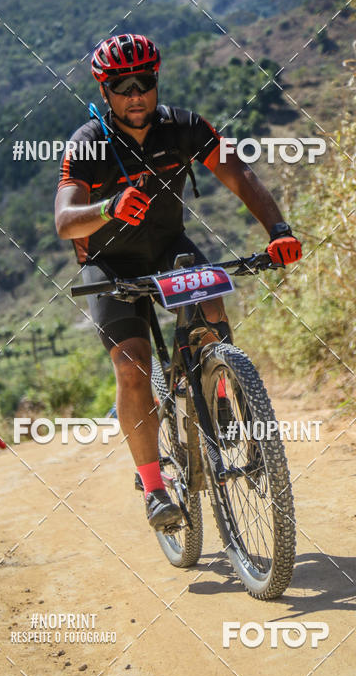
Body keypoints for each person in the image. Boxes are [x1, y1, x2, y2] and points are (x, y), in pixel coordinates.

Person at [54, 33, 302, 531]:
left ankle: (223, 393)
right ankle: (153, 487)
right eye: (122, 86)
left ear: (156, 81)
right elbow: (64, 221)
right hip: (109, 264)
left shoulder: (183, 126)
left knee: (212, 304)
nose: (135, 94)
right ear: (105, 92)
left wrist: (278, 230)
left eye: (144, 82)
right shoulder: (88, 143)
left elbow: (239, 174)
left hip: (169, 250)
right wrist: (107, 207)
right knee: (132, 367)